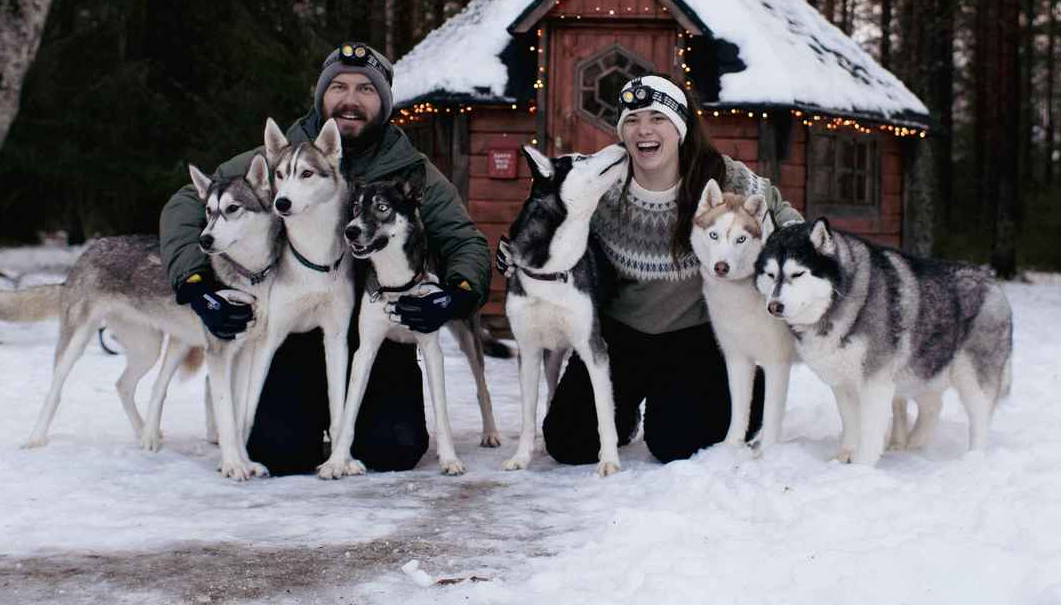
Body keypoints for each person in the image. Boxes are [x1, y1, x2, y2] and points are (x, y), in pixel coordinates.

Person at [159, 42, 491, 475]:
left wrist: (457, 294)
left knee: (394, 450)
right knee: (278, 452)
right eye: (338, 86)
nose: (350, 99)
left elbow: (464, 240)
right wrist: (196, 283)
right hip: (296, 326)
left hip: (376, 330)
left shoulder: (409, 169)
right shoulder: (283, 156)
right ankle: (305, 418)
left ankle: (356, 423)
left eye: (365, 90)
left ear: (385, 103)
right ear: (321, 96)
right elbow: (188, 203)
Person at [540, 74, 802, 464]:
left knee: (676, 444)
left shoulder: (723, 178)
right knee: (569, 442)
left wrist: (791, 249)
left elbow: (783, 216)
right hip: (621, 332)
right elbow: (553, 231)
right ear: (622, 133)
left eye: (657, 118)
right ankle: (624, 412)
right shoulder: (603, 187)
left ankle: (750, 390)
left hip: (695, 333)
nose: (643, 129)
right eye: (631, 120)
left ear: (679, 128)